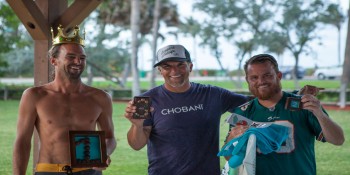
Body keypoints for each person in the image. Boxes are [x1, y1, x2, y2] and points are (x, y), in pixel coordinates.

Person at [124, 44, 248, 175]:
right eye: (167, 66)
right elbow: (136, 145)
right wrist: (137, 126)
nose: (174, 71)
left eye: (180, 65)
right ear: (160, 70)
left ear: (190, 66)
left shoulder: (213, 94)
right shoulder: (146, 100)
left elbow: (256, 103)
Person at [12, 25, 116, 175]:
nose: (78, 62)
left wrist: (104, 152)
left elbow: (110, 137)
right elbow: (22, 142)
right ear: (54, 61)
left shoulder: (100, 98)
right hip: (49, 170)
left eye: (82, 58)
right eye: (71, 57)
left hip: (89, 171)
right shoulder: (34, 96)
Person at [224, 54, 344, 175]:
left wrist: (320, 114)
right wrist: (231, 138)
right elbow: (230, 158)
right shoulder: (242, 112)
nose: (261, 81)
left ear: (279, 76)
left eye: (267, 75)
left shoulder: (303, 104)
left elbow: (338, 140)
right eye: (254, 77)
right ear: (248, 80)